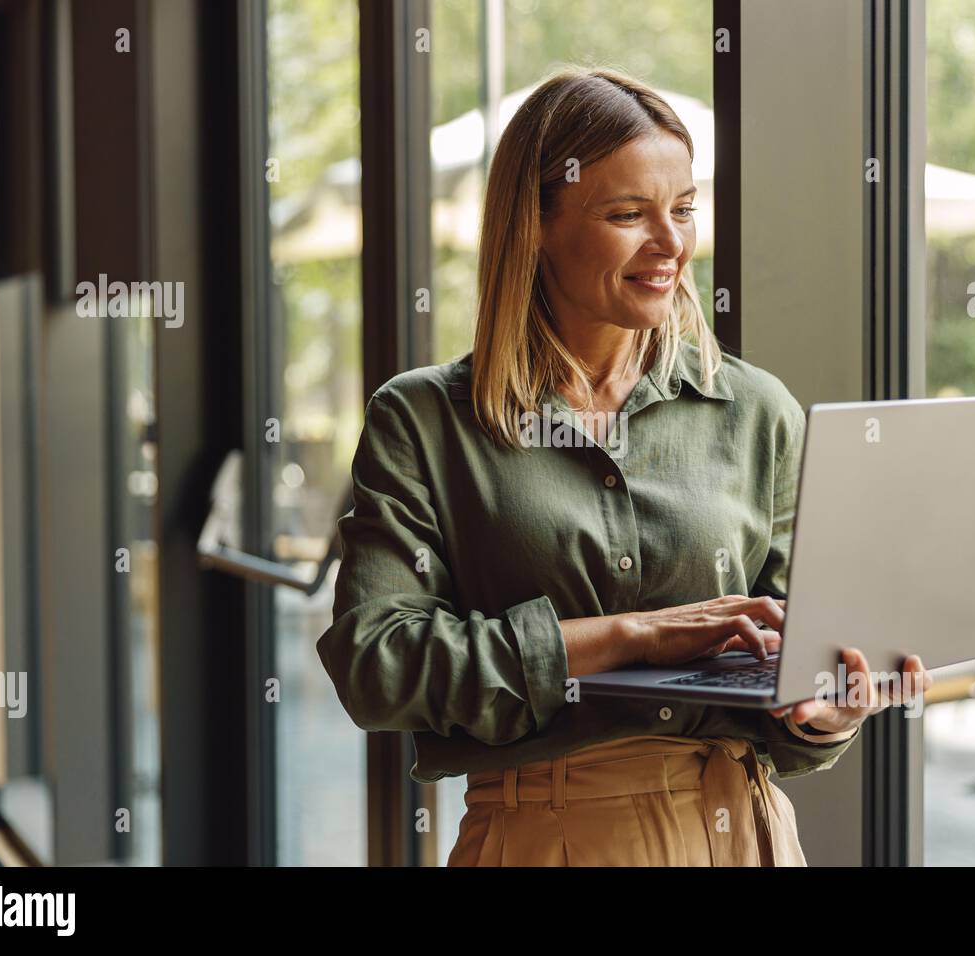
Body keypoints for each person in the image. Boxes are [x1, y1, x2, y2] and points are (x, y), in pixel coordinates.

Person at [317, 67, 931, 866]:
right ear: (533, 226)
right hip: (543, 837)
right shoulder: (426, 420)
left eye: (682, 210)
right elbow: (377, 666)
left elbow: (794, 682)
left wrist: (829, 710)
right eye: (626, 214)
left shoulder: (756, 411)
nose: (672, 244)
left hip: (743, 832)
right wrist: (634, 636)